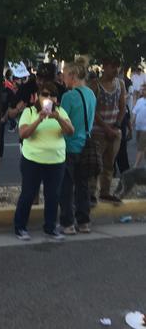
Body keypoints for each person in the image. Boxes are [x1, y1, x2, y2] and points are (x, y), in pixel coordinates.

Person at [13, 81, 74, 241]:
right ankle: (20, 227)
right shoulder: (30, 112)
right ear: (37, 97)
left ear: (56, 99)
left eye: (52, 95)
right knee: (28, 194)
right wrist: (39, 119)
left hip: (56, 161)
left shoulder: (61, 112)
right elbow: (23, 134)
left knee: (53, 195)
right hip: (33, 160)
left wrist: (58, 118)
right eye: (45, 95)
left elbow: (70, 131)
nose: (48, 98)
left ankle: (50, 227)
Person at [58, 57, 97, 235]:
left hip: (69, 146)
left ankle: (67, 223)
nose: (62, 78)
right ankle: (84, 221)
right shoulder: (91, 94)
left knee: (66, 186)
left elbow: (64, 125)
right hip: (86, 146)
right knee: (82, 186)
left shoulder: (68, 96)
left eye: (65, 75)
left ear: (73, 76)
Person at [88, 57, 126, 205]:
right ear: (105, 66)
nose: (116, 70)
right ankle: (91, 193)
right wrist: (107, 128)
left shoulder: (120, 84)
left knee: (109, 164)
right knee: (95, 165)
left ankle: (105, 192)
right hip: (98, 131)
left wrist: (116, 126)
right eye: (113, 66)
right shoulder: (95, 85)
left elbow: (122, 107)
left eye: (117, 66)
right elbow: (94, 111)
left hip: (114, 131)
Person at [132, 85, 146, 167]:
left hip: (145, 129)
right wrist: (132, 122)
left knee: (140, 148)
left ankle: (135, 166)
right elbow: (134, 112)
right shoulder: (140, 101)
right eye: (143, 90)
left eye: (145, 90)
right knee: (143, 147)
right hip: (138, 128)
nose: (143, 92)